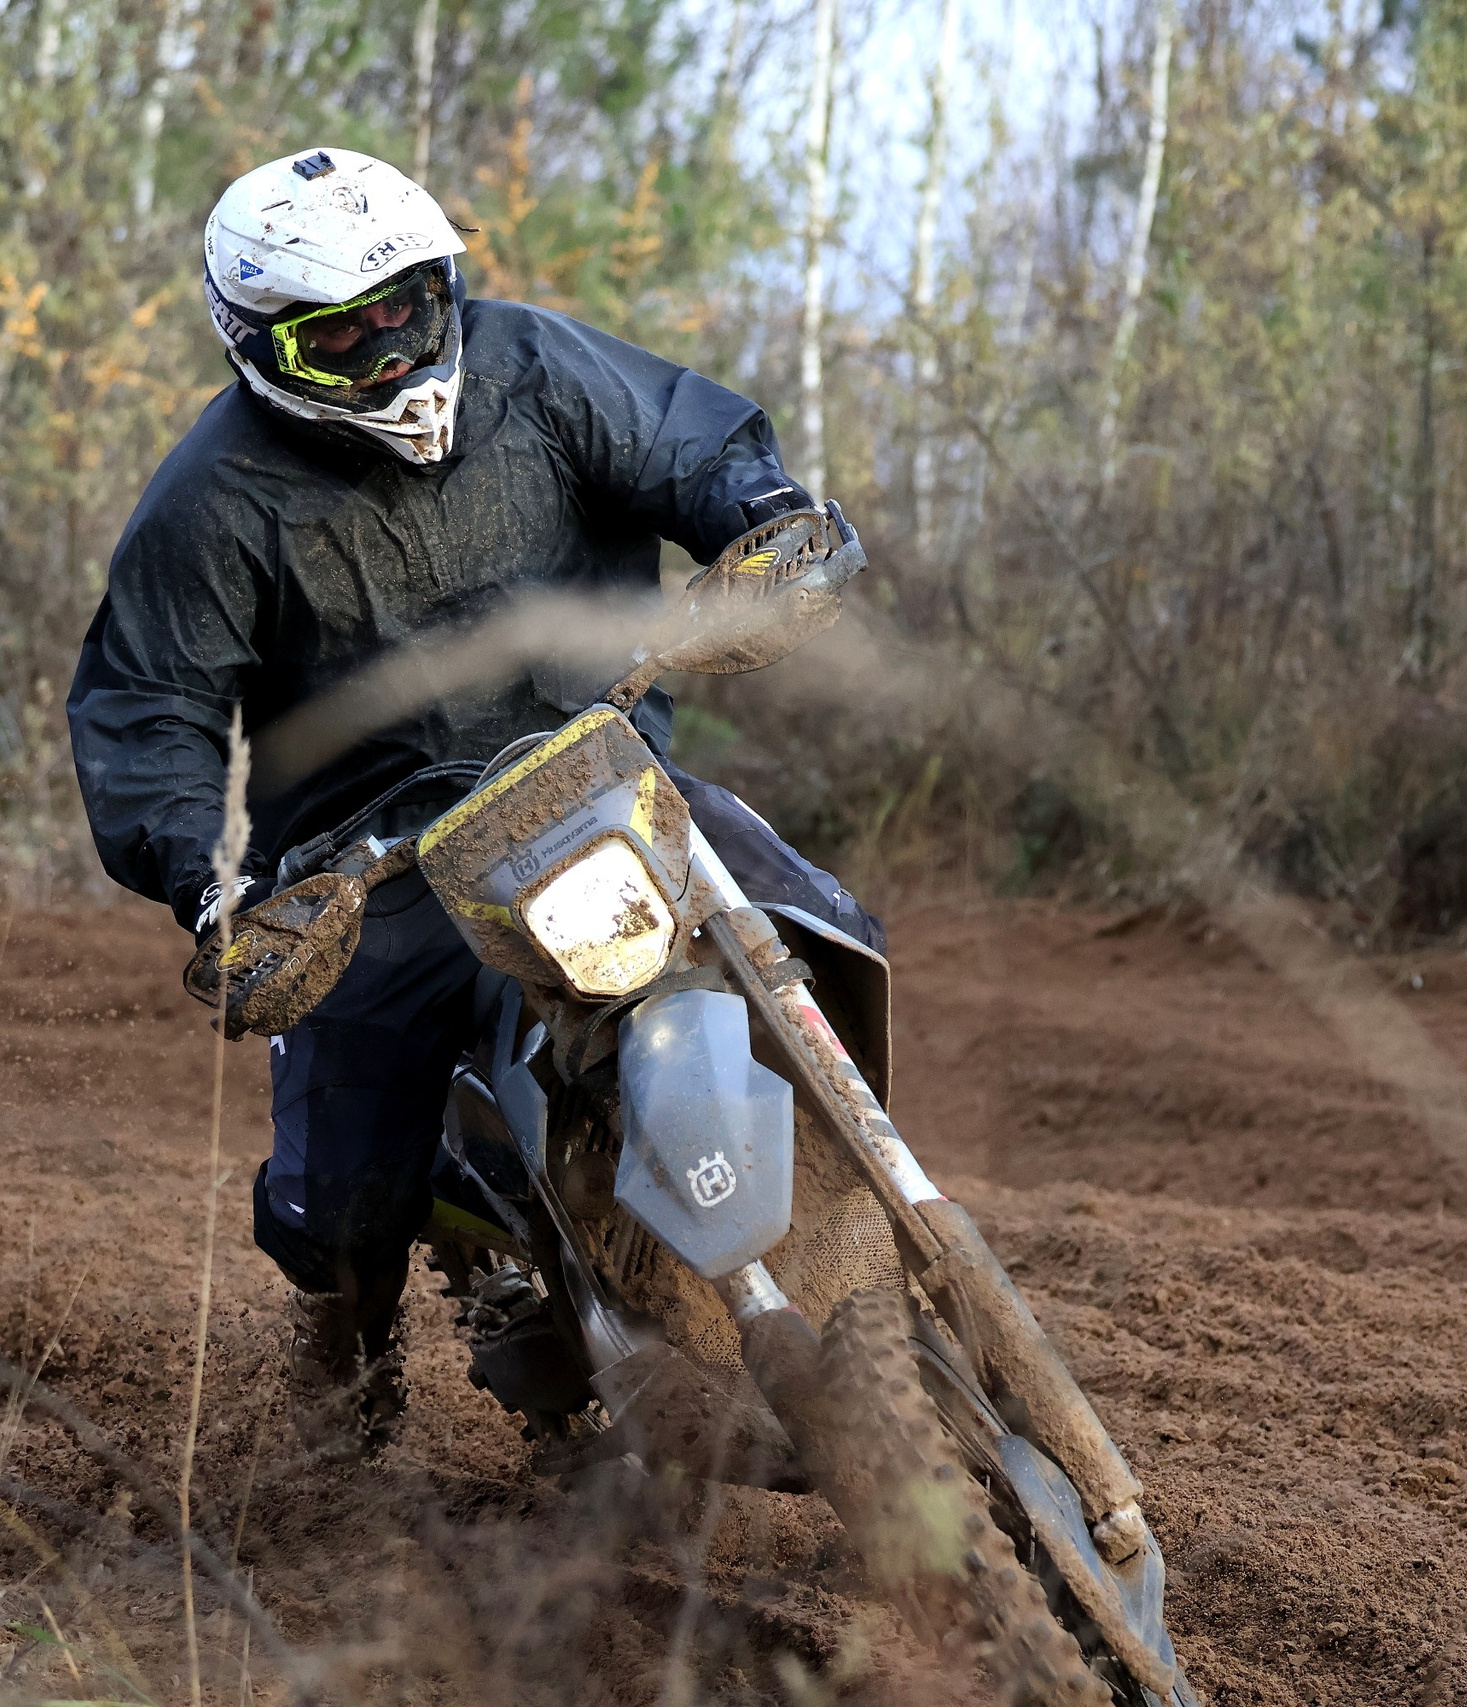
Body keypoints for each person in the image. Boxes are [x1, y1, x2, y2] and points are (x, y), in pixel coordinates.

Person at [65, 148, 883, 1461]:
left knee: (818, 919)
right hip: (375, 867)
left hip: (608, 782)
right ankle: (348, 1346)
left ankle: (865, 1193)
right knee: (336, 1190)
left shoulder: (539, 368)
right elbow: (143, 713)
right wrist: (207, 885)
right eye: (344, 335)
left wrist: (768, 525)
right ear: (265, 345)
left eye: (411, 304)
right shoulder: (208, 502)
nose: (391, 350)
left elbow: (694, 446)